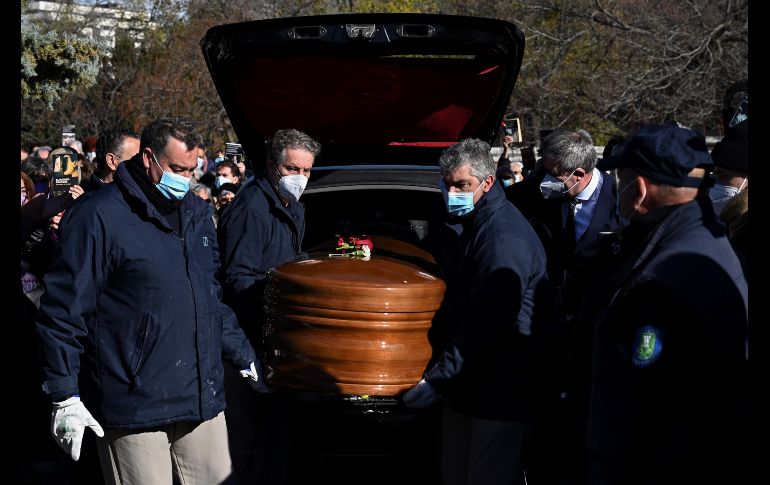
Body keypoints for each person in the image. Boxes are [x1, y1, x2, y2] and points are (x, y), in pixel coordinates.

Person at [35, 117, 261, 485]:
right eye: (176, 169)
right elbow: (64, 309)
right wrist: (64, 394)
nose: (185, 179)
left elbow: (208, 297)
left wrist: (242, 352)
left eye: (192, 170)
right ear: (148, 158)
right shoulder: (99, 215)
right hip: (133, 400)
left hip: (199, 393)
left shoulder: (197, 214)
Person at [583, 123, 748, 484]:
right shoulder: (703, 238)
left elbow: (636, 396)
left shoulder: (663, 278)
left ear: (639, 189)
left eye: (622, 179)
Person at [403, 138, 547, 485]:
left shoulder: (501, 239)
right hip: (467, 383)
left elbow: (487, 324)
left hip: (498, 387)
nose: (452, 192)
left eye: (462, 185)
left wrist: (438, 378)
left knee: (486, 474)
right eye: (447, 183)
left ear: (487, 182)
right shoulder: (472, 225)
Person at [505, 128, 619, 484]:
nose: (545, 179)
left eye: (553, 174)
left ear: (579, 174)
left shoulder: (618, 199)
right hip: (544, 325)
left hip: (594, 331)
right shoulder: (530, 195)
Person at [217, 128, 321, 484]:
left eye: (306, 170)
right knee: (247, 448)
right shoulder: (252, 210)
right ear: (273, 166)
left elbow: (280, 259)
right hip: (249, 340)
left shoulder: (288, 205)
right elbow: (237, 280)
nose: (300, 177)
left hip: (274, 340)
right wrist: (285, 290)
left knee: (273, 443)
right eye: (293, 169)